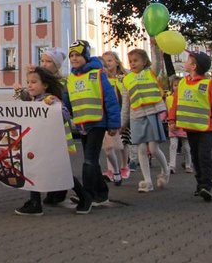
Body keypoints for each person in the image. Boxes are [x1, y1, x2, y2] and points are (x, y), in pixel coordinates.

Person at [66, 39, 121, 214]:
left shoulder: (98, 74)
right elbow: (66, 102)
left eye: (78, 55)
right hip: (82, 124)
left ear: (86, 56)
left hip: (98, 123)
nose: (74, 58)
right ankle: (101, 194)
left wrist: (114, 124)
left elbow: (111, 100)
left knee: (88, 161)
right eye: (71, 55)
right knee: (93, 161)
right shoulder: (71, 78)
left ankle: (87, 196)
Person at [14, 66, 77, 216]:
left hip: (52, 144)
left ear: (45, 85)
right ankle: (35, 203)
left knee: (59, 172)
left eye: (34, 82)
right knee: (32, 169)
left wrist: (52, 108)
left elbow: (65, 114)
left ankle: (84, 196)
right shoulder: (34, 100)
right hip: (40, 144)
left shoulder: (50, 99)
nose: (29, 85)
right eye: (28, 82)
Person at [168, 51, 212, 202]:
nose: (186, 61)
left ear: (194, 66)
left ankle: (206, 186)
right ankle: (200, 184)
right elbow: (176, 103)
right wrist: (171, 120)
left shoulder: (207, 84)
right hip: (190, 127)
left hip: (206, 128)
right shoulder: (182, 83)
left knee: (204, 157)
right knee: (195, 157)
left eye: (188, 59)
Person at [121, 48, 171, 193]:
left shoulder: (150, 73)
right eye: (130, 61)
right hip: (136, 116)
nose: (132, 63)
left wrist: (156, 47)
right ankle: (147, 181)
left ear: (144, 62)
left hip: (151, 114)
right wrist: (122, 123)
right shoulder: (127, 79)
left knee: (154, 148)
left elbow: (158, 64)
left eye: (136, 60)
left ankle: (165, 170)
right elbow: (126, 103)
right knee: (141, 148)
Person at [100, 51, 129, 184]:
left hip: (121, 114)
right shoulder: (104, 79)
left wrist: (124, 117)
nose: (107, 64)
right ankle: (112, 169)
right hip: (108, 115)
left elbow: (125, 98)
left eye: (110, 61)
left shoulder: (122, 78)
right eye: (105, 61)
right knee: (109, 145)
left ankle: (124, 166)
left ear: (117, 62)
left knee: (123, 144)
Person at [166, 75, 193, 174]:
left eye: (179, 85)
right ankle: (172, 165)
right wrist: (163, 118)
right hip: (172, 125)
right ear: (172, 86)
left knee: (187, 146)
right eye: (175, 85)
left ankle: (188, 164)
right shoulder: (169, 98)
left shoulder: (185, 98)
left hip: (183, 124)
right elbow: (167, 110)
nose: (176, 87)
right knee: (173, 145)